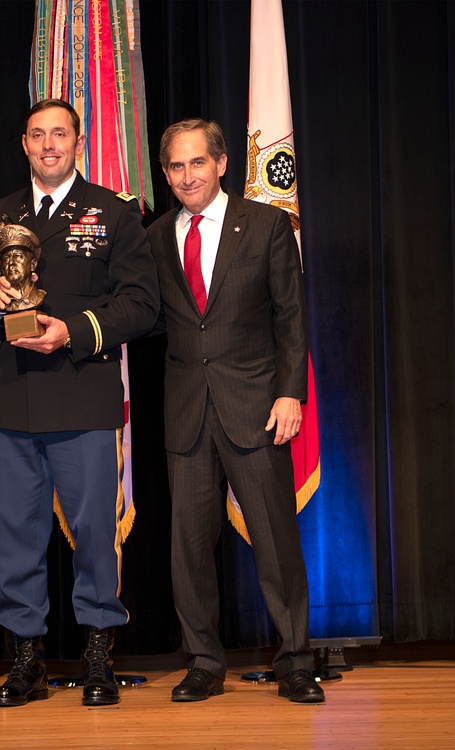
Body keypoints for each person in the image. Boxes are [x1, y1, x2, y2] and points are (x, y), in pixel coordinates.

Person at [0, 98, 160, 708]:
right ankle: (28, 660)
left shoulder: (114, 213)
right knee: (15, 532)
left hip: (82, 397)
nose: (49, 145)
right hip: (12, 400)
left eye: (61, 134)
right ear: (24, 143)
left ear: (80, 141)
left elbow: (142, 305)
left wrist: (72, 331)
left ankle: (99, 652)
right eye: (38, 135)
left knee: (97, 531)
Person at [146, 118, 324, 704]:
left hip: (257, 408)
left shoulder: (267, 224)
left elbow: (289, 317)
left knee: (275, 540)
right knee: (189, 548)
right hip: (186, 414)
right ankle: (203, 661)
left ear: (222, 164)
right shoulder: (154, 237)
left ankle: (295, 660)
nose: (187, 175)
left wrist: (290, 393)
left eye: (198, 162)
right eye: (176, 165)